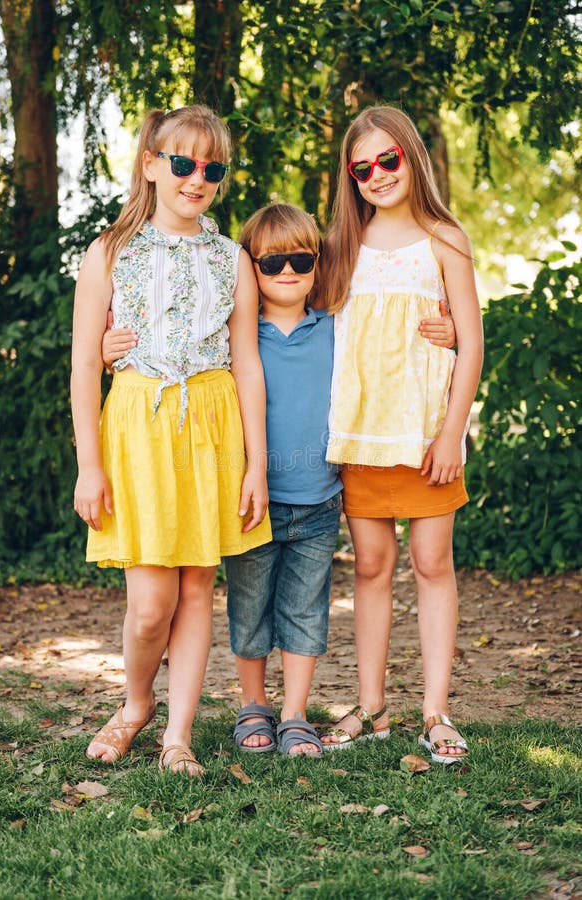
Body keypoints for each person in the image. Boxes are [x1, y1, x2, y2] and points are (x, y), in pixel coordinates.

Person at [103, 202, 456, 758]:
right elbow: (174, 343)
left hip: (320, 498)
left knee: (304, 609)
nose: (287, 272)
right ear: (250, 268)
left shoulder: (338, 325)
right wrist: (107, 351)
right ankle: (253, 705)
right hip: (252, 499)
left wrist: (450, 326)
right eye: (271, 264)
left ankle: (294, 713)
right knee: (249, 610)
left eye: (301, 260)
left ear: (319, 264)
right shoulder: (230, 336)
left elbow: (391, 339)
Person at [70, 105, 271, 777]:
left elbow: (246, 361)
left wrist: (257, 466)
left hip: (213, 429)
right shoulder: (109, 252)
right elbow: (81, 367)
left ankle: (176, 736)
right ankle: (135, 704)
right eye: (183, 163)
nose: (198, 178)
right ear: (151, 164)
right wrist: (88, 467)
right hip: (138, 426)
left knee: (195, 591)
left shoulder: (230, 257)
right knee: (150, 603)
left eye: (212, 168)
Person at [317, 106, 484, 763]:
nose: (378, 174)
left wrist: (451, 433)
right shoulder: (340, 247)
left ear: (411, 157)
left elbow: (468, 345)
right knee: (371, 567)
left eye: (389, 159)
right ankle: (372, 707)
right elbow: (299, 321)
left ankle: (435, 712)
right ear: (350, 178)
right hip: (362, 437)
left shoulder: (444, 238)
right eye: (363, 168)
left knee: (431, 564)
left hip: (424, 437)